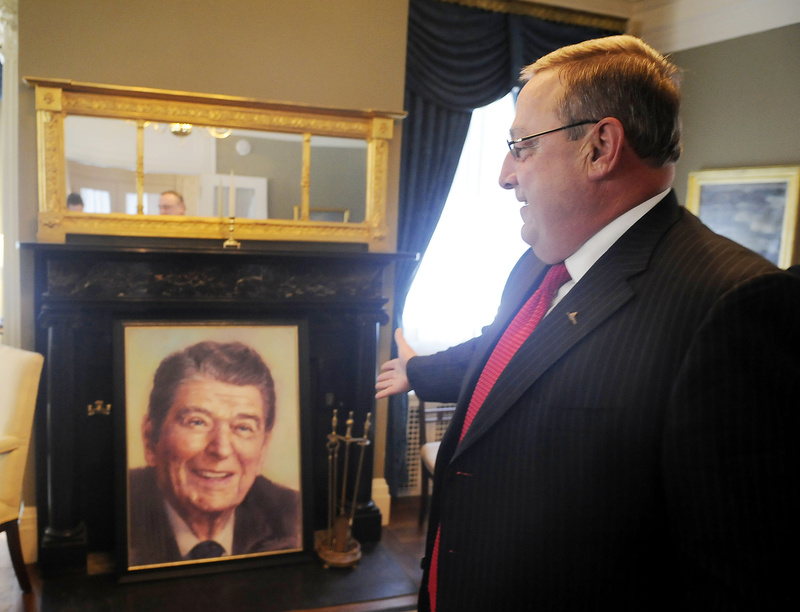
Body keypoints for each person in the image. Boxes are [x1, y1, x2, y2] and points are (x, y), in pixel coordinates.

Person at [376, 34, 799, 611]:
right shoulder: (537, 266)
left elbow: (740, 578)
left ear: (600, 147)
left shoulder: (733, 305)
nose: (504, 174)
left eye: (521, 145)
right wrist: (418, 369)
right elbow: (503, 356)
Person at [128, 341, 301, 566]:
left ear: (263, 448)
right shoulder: (123, 511)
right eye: (197, 422)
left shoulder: (291, 517)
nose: (221, 449)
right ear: (151, 439)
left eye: (243, 427)